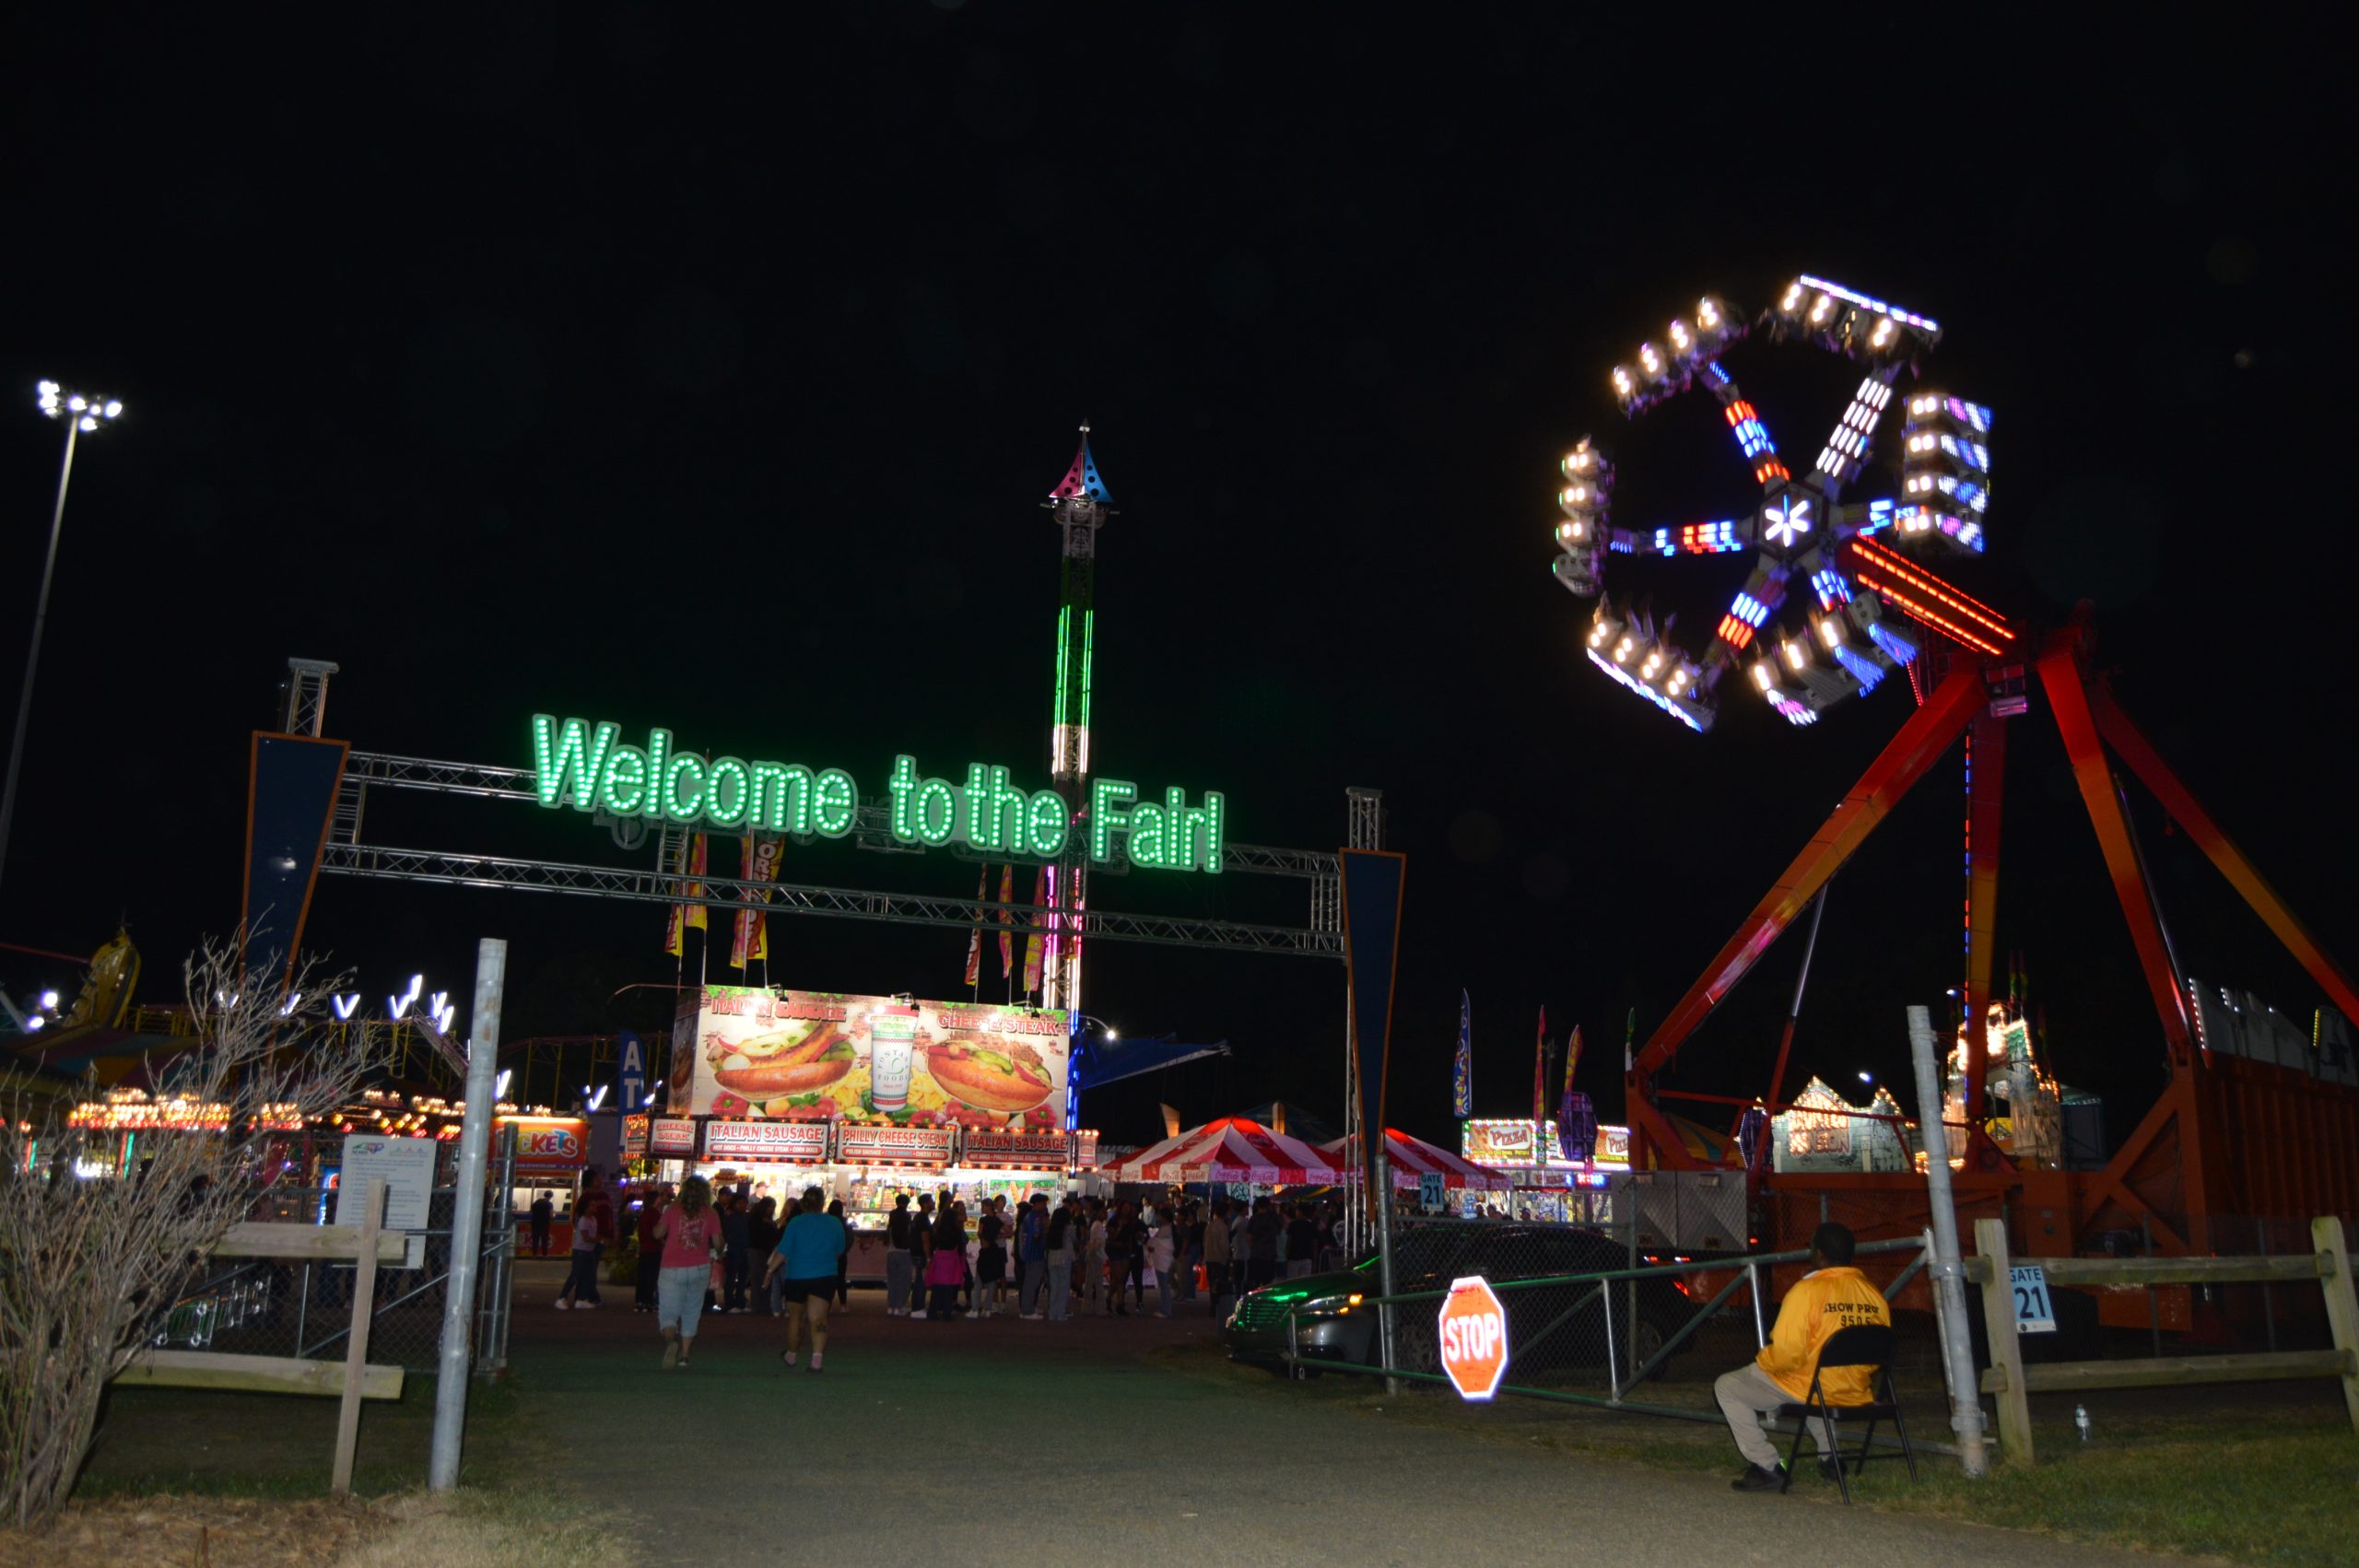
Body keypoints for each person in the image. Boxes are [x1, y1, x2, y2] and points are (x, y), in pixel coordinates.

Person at [1718, 1223, 1892, 1492]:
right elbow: (1877, 1353)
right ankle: (1831, 1457)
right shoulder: (1872, 1294)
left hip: (1813, 1386)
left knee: (1727, 1386)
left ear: (1819, 1254)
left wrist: (1765, 1362)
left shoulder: (1806, 1291)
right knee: (1814, 1378)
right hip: (1855, 1389)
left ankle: (1768, 1465)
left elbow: (1787, 1353)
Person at [766, 1188, 849, 1371]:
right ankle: (816, 1360)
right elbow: (839, 1250)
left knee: (796, 1317)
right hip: (825, 1275)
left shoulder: (795, 1223)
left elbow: (783, 1250)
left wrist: (770, 1271)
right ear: (822, 1202)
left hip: (797, 1275)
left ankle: (792, 1355)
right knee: (819, 1318)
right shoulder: (834, 1223)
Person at [651, 1176, 724, 1368]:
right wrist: (720, 1251)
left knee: (668, 1312)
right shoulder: (711, 1213)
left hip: (672, 1266)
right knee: (692, 1310)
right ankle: (684, 1356)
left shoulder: (672, 1210)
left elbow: (657, 1233)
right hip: (700, 1267)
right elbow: (718, 1243)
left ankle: (671, 1342)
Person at [555, 1195, 604, 1310]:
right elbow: (586, 1237)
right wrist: (600, 1240)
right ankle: (561, 1298)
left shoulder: (593, 1219)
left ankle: (581, 1299)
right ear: (586, 1208)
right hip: (581, 1251)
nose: (594, 1206)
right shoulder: (583, 1220)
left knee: (588, 1276)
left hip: (589, 1251)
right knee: (575, 1275)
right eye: (592, 1205)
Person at [923, 1202, 968, 1321]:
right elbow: (960, 1245)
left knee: (937, 1286)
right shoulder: (956, 1230)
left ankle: (933, 1311)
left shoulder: (939, 1230)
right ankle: (947, 1313)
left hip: (940, 1258)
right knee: (949, 1287)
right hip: (951, 1259)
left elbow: (933, 1245)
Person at [634, 1184, 670, 1312]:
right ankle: (648, 1302)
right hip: (653, 1248)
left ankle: (640, 1302)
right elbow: (657, 1232)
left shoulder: (644, 1213)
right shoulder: (654, 1213)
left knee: (643, 1276)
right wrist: (663, 1243)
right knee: (651, 1276)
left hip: (644, 1248)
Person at [1015, 1193, 1050, 1319]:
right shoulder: (1036, 1217)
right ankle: (1028, 1311)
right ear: (1038, 1203)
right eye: (1044, 1203)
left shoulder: (1028, 1216)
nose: (1045, 1206)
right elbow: (1036, 1235)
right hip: (1035, 1253)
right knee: (1032, 1283)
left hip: (1028, 1253)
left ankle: (1026, 1308)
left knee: (1028, 1283)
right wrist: (1045, 1231)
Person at [972, 1199, 1010, 1318]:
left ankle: (975, 1308)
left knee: (979, 1279)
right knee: (993, 1280)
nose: (982, 1208)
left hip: (986, 1251)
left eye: (983, 1206)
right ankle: (988, 1308)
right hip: (995, 1249)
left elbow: (980, 1232)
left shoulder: (983, 1220)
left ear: (988, 1207)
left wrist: (984, 1240)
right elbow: (1009, 1231)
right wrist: (998, 1236)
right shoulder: (997, 1220)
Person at [885, 1193, 918, 1316]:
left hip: (891, 1252)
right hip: (904, 1252)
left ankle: (891, 1306)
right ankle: (900, 1306)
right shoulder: (907, 1216)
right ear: (907, 1203)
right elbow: (910, 1233)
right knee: (904, 1281)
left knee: (892, 1280)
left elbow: (888, 1232)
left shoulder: (892, 1215)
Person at [748, 1197, 782, 1316]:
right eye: (771, 1207)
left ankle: (764, 1305)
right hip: (758, 1251)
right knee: (758, 1279)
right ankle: (758, 1306)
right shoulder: (756, 1219)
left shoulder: (767, 1220)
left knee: (765, 1278)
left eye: (773, 1207)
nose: (772, 1209)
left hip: (766, 1251)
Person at [720, 1193, 753, 1314]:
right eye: (740, 1203)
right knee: (732, 1278)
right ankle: (731, 1303)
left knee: (741, 1278)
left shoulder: (744, 1217)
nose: (743, 1205)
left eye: (744, 1203)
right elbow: (727, 1235)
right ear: (735, 1204)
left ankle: (739, 1301)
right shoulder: (732, 1217)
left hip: (742, 1250)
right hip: (734, 1250)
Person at [1044, 1198, 1075, 1322]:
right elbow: (1075, 1240)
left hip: (1052, 1258)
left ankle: (1052, 1313)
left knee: (1054, 1286)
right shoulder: (1069, 1228)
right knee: (1063, 1287)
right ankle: (1060, 1313)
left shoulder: (1052, 1229)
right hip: (1065, 1258)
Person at [1243, 1197, 1282, 1290]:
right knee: (1268, 1283)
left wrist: (1253, 1247)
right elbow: (1279, 1231)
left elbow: (1249, 1237)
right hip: (1270, 1254)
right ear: (1268, 1205)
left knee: (1255, 1283)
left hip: (1256, 1254)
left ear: (1257, 1205)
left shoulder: (1254, 1218)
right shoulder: (1273, 1218)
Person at [1203, 1198, 1233, 1314]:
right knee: (1220, 1284)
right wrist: (1226, 1257)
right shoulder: (1223, 1227)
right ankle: (1218, 1306)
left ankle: (1213, 1305)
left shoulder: (1210, 1225)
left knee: (1212, 1284)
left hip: (1209, 1257)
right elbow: (1224, 1245)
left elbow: (1204, 1241)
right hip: (1220, 1259)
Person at [826, 1198, 853, 1310]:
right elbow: (849, 1239)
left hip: (827, 1255)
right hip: (841, 1255)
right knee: (841, 1279)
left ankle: (828, 1304)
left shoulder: (826, 1222)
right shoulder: (844, 1223)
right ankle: (843, 1304)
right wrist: (844, 1250)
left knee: (828, 1280)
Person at [1146, 1217, 1176, 1318]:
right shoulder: (1170, 1232)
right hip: (1166, 1261)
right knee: (1164, 1286)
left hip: (1162, 1262)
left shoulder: (1164, 1232)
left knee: (1164, 1287)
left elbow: (1153, 1242)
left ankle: (1166, 1310)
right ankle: (1166, 1309)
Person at [1285, 1204, 1320, 1281]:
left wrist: (1286, 1255)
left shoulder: (1293, 1225)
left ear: (1300, 1212)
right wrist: (1314, 1261)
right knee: (1304, 1282)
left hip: (1293, 1258)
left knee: (1292, 1282)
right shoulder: (1312, 1226)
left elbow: (1289, 1241)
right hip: (1307, 1258)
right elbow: (1315, 1244)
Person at [529, 1190, 554, 1258]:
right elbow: (551, 1215)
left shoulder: (537, 1202)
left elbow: (531, 1211)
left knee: (535, 1239)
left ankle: (534, 1254)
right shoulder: (549, 1204)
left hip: (535, 1223)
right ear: (551, 1196)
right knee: (544, 1239)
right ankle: (544, 1254)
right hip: (544, 1224)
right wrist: (553, 1217)